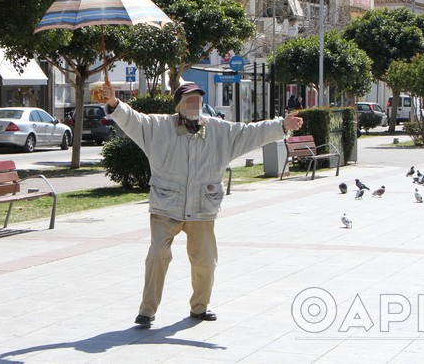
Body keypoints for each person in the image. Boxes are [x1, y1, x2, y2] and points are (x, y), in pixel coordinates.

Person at [102, 81, 303, 327]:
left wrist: (282, 125)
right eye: (190, 100)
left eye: (198, 100)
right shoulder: (158, 127)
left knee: (205, 260)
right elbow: (132, 118)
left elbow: (249, 132)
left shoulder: (219, 130)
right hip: (166, 207)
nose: (195, 104)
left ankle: (200, 307)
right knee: (157, 256)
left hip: (202, 207)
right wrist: (113, 102)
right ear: (179, 105)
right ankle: (147, 311)